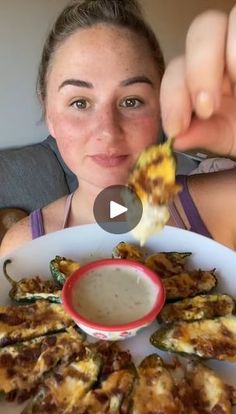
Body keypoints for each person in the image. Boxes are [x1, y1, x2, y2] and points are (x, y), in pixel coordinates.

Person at [1, 0, 236, 256]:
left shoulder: (225, 204)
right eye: (80, 102)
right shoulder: (23, 247)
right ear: (49, 113)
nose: (108, 132)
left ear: (160, 106)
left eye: (131, 101)